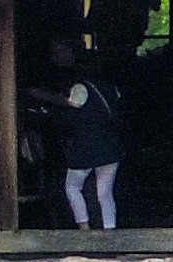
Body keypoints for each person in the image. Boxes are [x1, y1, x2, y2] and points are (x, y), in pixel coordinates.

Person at [45, 37, 121, 230]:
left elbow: (72, 111)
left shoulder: (80, 88)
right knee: (105, 193)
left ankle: (84, 227)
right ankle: (110, 231)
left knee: (72, 187)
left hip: (85, 148)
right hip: (109, 148)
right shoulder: (111, 89)